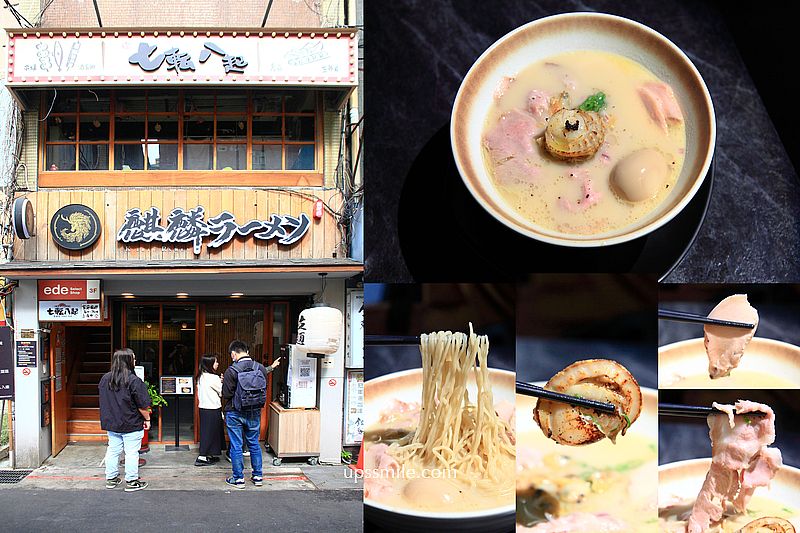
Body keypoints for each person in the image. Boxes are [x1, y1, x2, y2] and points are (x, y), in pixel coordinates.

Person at [222, 340, 281, 488]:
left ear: (234, 353)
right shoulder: (259, 368)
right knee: (254, 444)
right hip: (254, 411)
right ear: (246, 352)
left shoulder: (232, 370)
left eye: (232, 355)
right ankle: (258, 476)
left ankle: (238, 479)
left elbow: (226, 394)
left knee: (236, 445)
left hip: (235, 412)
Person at [99, 348, 151, 492]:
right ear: (128, 361)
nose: (135, 361)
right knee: (132, 453)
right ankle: (132, 481)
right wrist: (147, 419)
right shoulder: (133, 380)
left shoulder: (105, 379)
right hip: (131, 423)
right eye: (133, 359)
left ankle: (111, 479)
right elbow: (142, 405)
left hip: (112, 423)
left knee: (113, 451)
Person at [195, 354, 225, 466]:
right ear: (209, 364)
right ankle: (202, 456)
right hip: (213, 408)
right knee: (211, 433)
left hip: (204, 408)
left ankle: (208, 455)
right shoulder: (213, 378)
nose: (217, 364)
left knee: (207, 432)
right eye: (215, 362)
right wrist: (222, 382)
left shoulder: (201, 376)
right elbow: (222, 392)